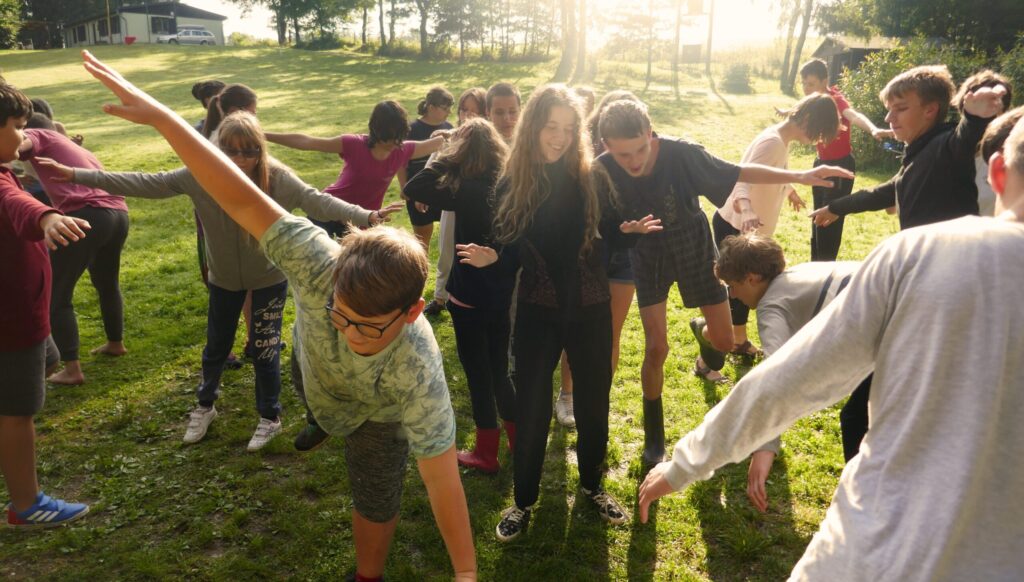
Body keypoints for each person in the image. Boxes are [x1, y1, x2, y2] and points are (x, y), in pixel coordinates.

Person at [80, 50, 477, 581]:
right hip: (312, 375)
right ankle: (316, 417)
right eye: (340, 313)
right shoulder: (315, 259)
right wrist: (163, 119)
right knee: (308, 371)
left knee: (377, 494)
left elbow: (442, 480)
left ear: (410, 314)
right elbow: (237, 194)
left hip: (377, 413)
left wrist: (467, 575)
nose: (346, 328)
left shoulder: (418, 367)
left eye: (365, 327)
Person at [639, 115, 1024, 582]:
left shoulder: (920, 252)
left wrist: (689, 464)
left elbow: (783, 376)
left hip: (882, 544)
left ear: (997, 171)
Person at [40, 111, 400, 451]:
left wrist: (365, 215)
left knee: (265, 349)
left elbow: (317, 200)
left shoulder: (277, 177)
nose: (241, 158)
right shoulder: (201, 174)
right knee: (216, 346)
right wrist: (75, 175)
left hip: (269, 279)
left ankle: (269, 415)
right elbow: (145, 182)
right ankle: (205, 405)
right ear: (216, 149)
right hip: (224, 279)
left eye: (250, 150)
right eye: (231, 150)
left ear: (261, 149)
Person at [596, 98, 854, 465]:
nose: (634, 161)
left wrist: (797, 176)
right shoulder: (601, 170)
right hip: (645, 251)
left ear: (651, 133)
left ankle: (703, 331)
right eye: (623, 155)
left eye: (640, 149)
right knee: (656, 349)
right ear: (606, 146)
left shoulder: (681, 154)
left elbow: (739, 170)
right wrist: (620, 230)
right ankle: (654, 435)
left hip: (692, 242)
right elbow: (592, 221)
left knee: (723, 341)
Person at [459, 84, 662, 541]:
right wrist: (495, 258)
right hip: (537, 310)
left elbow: (608, 236)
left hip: (591, 309)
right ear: (533, 126)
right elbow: (512, 247)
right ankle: (524, 500)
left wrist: (627, 233)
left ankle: (591, 485)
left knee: (595, 401)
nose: (559, 137)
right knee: (532, 407)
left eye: (569, 129)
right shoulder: (514, 181)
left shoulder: (593, 178)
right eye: (551, 127)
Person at [712, 233, 869, 512]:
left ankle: (863, 508)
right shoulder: (799, 272)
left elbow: (776, 378)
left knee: (857, 418)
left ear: (752, 278)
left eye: (733, 285)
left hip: (900, 331)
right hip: (909, 316)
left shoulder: (771, 305)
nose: (732, 294)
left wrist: (764, 447)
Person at [1, 80, 91, 528]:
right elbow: (15, 204)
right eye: (18, 127)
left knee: (47, 359)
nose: (23, 138)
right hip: (13, 322)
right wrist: (48, 215)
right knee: (17, 413)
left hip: (29, 319)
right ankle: (26, 504)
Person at [404, 118, 515, 473]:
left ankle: (487, 451)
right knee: (500, 371)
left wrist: (446, 151)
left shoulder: (462, 187)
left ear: (463, 151)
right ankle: (519, 439)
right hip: (501, 293)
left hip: (468, 297)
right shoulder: (507, 185)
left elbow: (415, 185)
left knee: (479, 376)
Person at [713, 93, 840, 359]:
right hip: (737, 224)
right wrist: (746, 209)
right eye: (818, 132)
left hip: (748, 227)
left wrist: (789, 189)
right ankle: (722, 345)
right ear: (806, 119)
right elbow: (742, 179)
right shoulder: (772, 142)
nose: (817, 140)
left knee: (746, 288)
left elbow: (773, 171)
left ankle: (738, 341)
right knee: (740, 288)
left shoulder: (780, 141)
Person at [810, 66, 1006, 231]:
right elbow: (884, 193)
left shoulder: (944, 148)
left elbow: (964, 140)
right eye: (889, 109)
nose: (888, 118)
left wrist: (976, 118)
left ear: (930, 110)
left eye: (901, 109)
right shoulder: (920, 152)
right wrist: (836, 207)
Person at [556, 89, 643, 429]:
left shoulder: (641, 159)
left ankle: (597, 399)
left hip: (623, 257)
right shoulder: (587, 161)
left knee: (610, 332)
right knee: (576, 329)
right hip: (589, 254)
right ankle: (567, 395)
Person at [18, 124, 130, 386]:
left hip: (86, 215)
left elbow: (22, 143)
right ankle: (116, 343)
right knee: (107, 282)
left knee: (57, 292)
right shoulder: (67, 144)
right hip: (117, 214)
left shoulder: (37, 134)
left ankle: (72, 369)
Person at [265, 100, 444, 239]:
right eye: (387, 138)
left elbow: (438, 143)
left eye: (397, 138)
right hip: (330, 212)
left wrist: (455, 131)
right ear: (376, 130)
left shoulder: (402, 150)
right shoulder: (353, 144)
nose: (392, 144)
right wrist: (262, 135)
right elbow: (307, 142)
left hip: (363, 220)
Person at [797, 58, 893, 261]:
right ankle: (815, 269)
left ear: (825, 81)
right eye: (803, 83)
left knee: (828, 222)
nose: (806, 88)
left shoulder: (835, 99)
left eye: (811, 84)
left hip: (840, 166)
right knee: (817, 218)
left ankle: (825, 271)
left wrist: (873, 129)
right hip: (820, 164)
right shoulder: (813, 102)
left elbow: (854, 115)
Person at [423, 87, 487, 318]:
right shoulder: (452, 136)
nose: (468, 115)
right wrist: (424, 196)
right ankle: (440, 297)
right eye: (464, 110)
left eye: (475, 111)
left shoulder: (488, 139)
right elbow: (433, 165)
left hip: (481, 209)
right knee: (447, 251)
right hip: (453, 205)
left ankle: (471, 298)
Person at [398, 86, 454, 252]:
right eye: (445, 108)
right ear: (431, 108)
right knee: (422, 241)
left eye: (450, 108)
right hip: (418, 191)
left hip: (442, 189)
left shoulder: (449, 127)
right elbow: (401, 162)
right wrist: (405, 188)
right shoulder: (412, 129)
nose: (449, 112)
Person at [954, 71, 1012, 216]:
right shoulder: (945, 150)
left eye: (992, 106)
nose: (983, 116)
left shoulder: (1013, 156)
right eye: (976, 106)